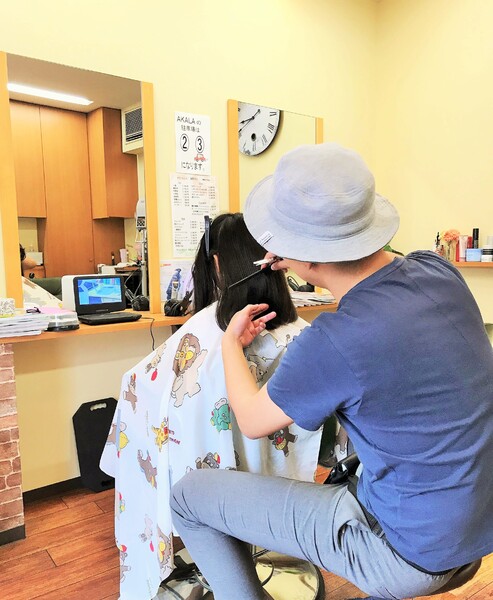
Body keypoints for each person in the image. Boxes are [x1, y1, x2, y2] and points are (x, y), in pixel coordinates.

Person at [170, 143, 493, 600]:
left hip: (413, 553)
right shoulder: (438, 270)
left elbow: (252, 420)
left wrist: (229, 345)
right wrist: (302, 252)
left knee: (188, 496)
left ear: (296, 254)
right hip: (479, 527)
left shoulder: (335, 340)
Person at [100, 213, 323, 600]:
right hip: (285, 493)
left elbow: (140, 391)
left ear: (216, 264)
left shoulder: (205, 333)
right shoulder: (306, 334)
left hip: (214, 491)